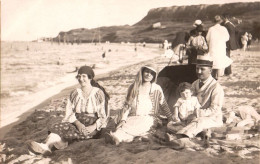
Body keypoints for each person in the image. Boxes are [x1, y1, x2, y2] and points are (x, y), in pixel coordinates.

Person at [28, 66, 110, 155]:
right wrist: (78, 123)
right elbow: (69, 113)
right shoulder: (74, 93)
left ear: (90, 77)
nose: (81, 79)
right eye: (79, 76)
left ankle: (48, 146)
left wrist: (94, 127)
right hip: (77, 122)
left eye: (84, 76)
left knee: (66, 132)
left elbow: (103, 116)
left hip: (92, 126)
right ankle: (46, 146)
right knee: (56, 127)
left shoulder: (98, 93)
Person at [105, 64, 174, 145]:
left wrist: (170, 118)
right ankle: (116, 137)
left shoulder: (156, 88)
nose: (148, 74)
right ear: (142, 72)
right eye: (147, 72)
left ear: (154, 76)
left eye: (151, 73)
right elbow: (127, 106)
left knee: (141, 125)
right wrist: (123, 119)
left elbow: (163, 104)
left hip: (149, 117)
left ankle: (119, 139)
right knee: (123, 126)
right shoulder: (133, 87)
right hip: (133, 116)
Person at [173, 55, 225, 139]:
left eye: (202, 69)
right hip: (191, 116)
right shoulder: (195, 83)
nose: (199, 71)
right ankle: (200, 132)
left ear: (210, 71)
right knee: (172, 123)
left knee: (199, 122)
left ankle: (179, 136)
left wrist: (197, 113)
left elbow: (215, 109)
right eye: (197, 68)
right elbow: (188, 100)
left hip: (211, 118)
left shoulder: (216, 87)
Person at [206, 15, 232, 80]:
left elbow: (207, 38)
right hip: (221, 47)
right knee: (220, 60)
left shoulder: (211, 29)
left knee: (213, 60)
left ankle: (214, 75)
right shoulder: (223, 28)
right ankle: (218, 74)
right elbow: (227, 38)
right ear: (220, 22)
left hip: (213, 46)